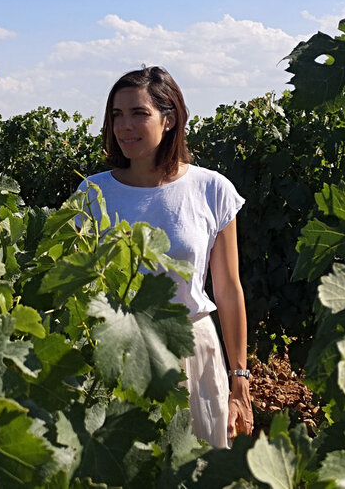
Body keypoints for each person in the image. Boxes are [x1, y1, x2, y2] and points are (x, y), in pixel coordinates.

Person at [79, 66, 252, 448]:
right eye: (116, 115)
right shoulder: (91, 194)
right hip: (117, 350)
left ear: (169, 119)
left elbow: (227, 289)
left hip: (193, 352)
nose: (125, 126)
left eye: (139, 113)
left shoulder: (211, 189)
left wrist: (240, 377)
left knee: (198, 468)